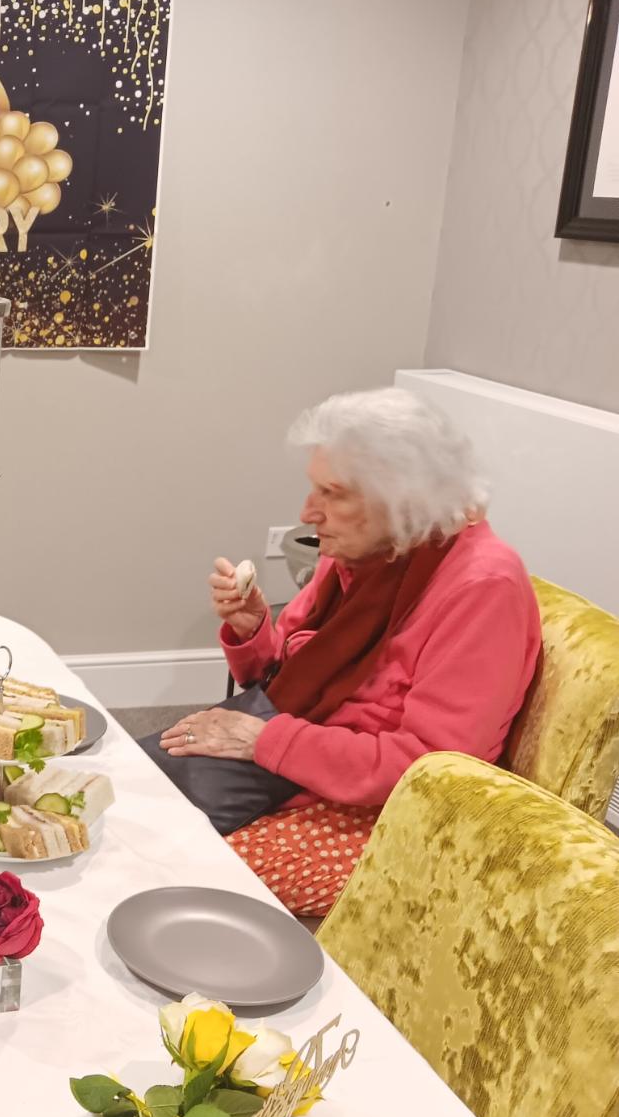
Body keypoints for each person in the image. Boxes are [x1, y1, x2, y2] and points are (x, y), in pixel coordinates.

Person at [148, 387, 540, 917]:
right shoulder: (367, 552)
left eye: (332, 494)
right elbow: (285, 677)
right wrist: (252, 629)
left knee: (167, 868)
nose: (309, 512)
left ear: (403, 499)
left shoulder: (483, 586)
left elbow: (434, 770)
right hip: (302, 766)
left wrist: (265, 741)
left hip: (379, 812)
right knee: (127, 797)